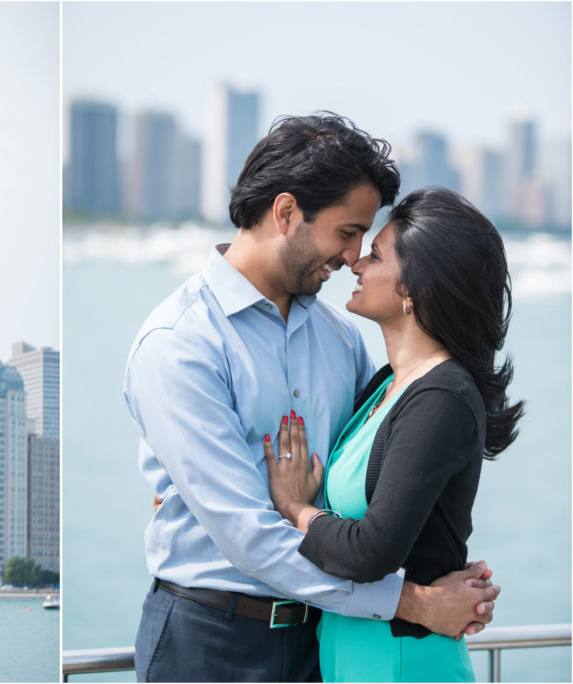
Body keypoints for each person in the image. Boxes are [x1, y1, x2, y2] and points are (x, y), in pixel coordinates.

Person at [124, 112, 501, 682]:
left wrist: (443, 566)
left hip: (323, 641)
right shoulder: (180, 344)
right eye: (348, 232)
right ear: (286, 213)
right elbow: (247, 535)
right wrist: (415, 602)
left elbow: (375, 479)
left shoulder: (340, 339)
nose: (353, 256)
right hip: (211, 640)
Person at [264, 187, 523, 681]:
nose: (357, 263)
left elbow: (369, 551)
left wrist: (296, 509)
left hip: (403, 665)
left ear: (414, 290)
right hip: (350, 659)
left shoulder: (442, 396)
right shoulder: (385, 384)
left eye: (377, 255)